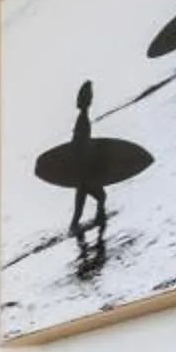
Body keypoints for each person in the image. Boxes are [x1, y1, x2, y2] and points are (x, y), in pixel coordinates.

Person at [66, 80, 110, 267]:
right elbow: (80, 145)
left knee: (79, 208)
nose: (90, 101)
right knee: (101, 196)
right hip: (84, 172)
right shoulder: (83, 121)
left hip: (80, 173)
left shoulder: (81, 119)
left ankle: (78, 233)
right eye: (89, 98)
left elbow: (77, 145)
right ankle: (99, 224)